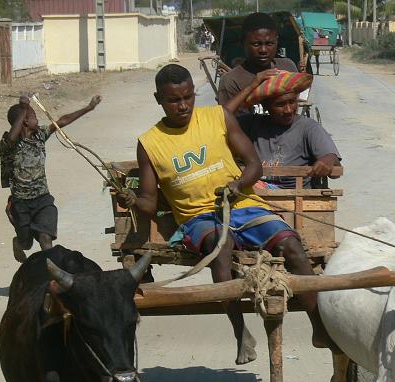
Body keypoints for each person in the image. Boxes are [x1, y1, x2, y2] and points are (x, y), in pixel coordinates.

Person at [116, 64, 333, 364]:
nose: (183, 106)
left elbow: (253, 165)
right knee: (220, 246)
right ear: (158, 100)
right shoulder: (150, 143)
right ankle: (240, 332)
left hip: (244, 205)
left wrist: (238, 185)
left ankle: (319, 326)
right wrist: (132, 200)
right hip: (199, 218)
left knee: (293, 246)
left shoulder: (218, 116)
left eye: (188, 97)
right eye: (173, 100)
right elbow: (150, 204)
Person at [0, 94, 101, 263]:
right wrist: (24, 107)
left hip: (42, 200)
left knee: (45, 239)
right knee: (26, 243)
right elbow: (11, 138)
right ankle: (17, 243)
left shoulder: (40, 136)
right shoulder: (8, 145)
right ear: (24, 121)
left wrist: (88, 108)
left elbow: (62, 121)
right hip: (20, 203)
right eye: (34, 117)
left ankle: (51, 276)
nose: (37, 120)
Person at [224, 70, 341, 189]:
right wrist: (250, 87)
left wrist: (329, 159)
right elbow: (219, 117)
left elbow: (333, 163)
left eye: (292, 102)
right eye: (280, 104)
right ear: (265, 106)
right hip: (255, 199)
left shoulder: (308, 127)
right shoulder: (251, 124)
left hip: (297, 200)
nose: (289, 110)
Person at [217, 12, 300, 114]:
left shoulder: (288, 67)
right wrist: (251, 87)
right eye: (256, 44)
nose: (263, 50)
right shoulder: (231, 81)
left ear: (277, 41)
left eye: (269, 43)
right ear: (243, 43)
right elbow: (223, 119)